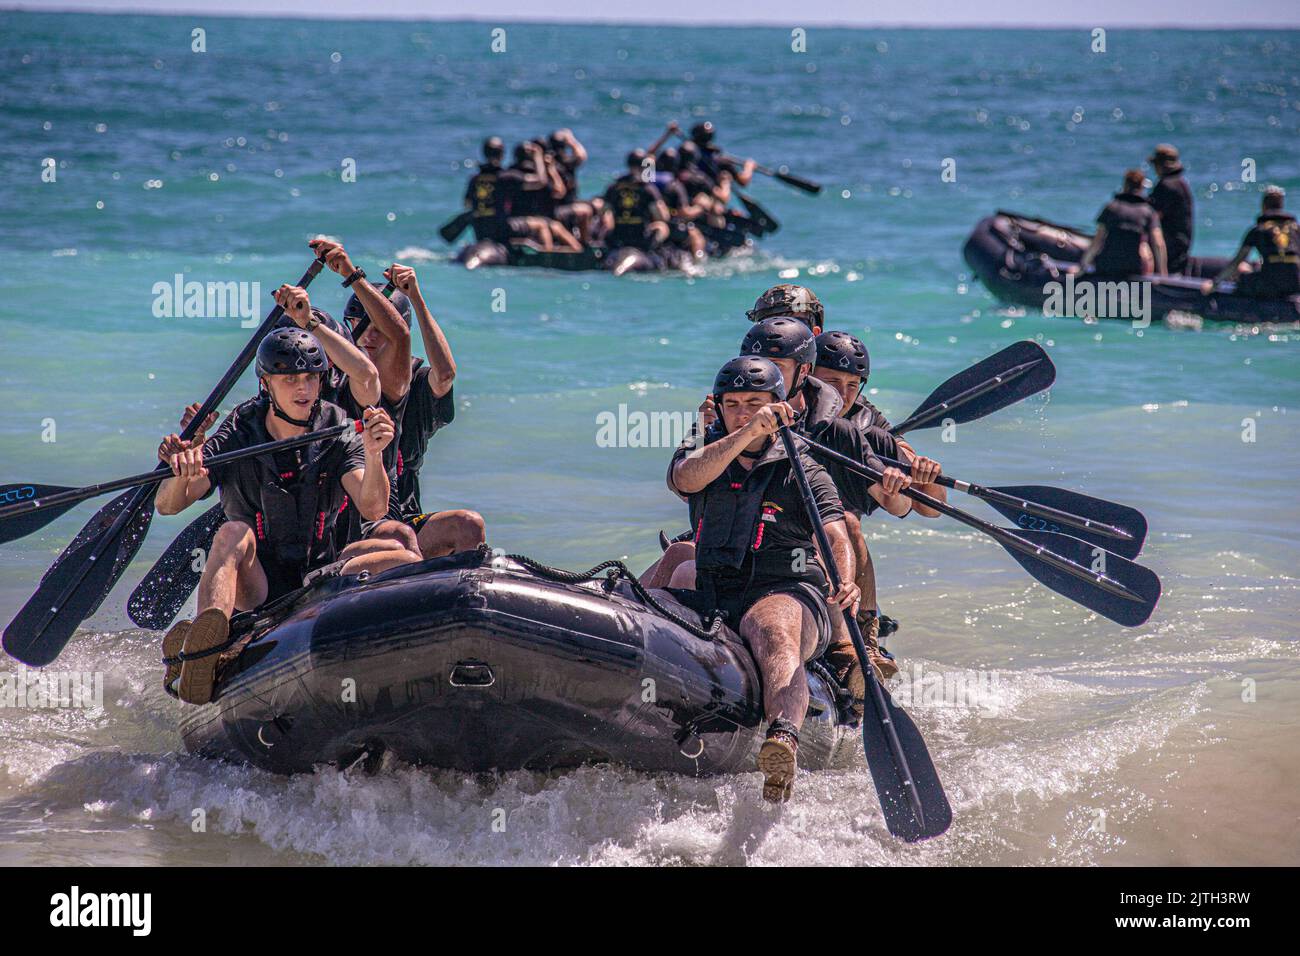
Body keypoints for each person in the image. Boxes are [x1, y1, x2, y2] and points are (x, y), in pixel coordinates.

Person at [155, 324, 399, 705]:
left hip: (317, 581)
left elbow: (374, 507)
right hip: (258, 589)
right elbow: (170, 504)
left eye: (309, 378)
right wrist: (180, 472)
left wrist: (374, 452)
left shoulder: (337, 426)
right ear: (267, 384)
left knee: (400, 548)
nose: (302, 389)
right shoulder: (240, 427)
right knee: (232, 533)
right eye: (289, 379)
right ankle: (206, 655)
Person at [659, 356, 858, 802]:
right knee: (675, 569)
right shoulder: (704, 452)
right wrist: (744, 433)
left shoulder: (803, 465)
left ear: (780, 405)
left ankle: (783, 739)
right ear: (720, 407)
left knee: (774, 629)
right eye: (733, 404)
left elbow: (834, 531)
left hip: (783, 587)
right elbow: (686, 480)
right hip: (715, 587)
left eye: (755, 403)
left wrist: (845, 579)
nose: (744, 412)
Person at [382, 262, 487, 557]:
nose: (371, 337)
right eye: (362, 325)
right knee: (398, 541)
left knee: (467, 525)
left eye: (381, 328)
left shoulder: (416, 382)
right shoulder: (339, 384)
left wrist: (415, 297)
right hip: (353, 532)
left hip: (407, 523)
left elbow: (444, 375)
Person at [1210, 187, 1300, 299]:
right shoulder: (1296, 229)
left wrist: (1215, 283)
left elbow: (1237, 261)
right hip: (1295, 285)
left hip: (1270, 287)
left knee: (1241, 271)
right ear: (1281, 206)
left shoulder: (1258, 230)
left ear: (1263, 206)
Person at [1079, 169, 1167, 279]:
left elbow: (1098, 241)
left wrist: (1083, 264)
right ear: (1142, 187)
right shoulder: (1148, 212)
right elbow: (1158, 243)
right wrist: (1163, 275)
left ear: (1125, 185)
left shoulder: (1112, 207)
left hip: (1107, 265)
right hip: (1134, 268)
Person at [498, 142, 583, 252]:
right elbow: (559, 191)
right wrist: (550, 169)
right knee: (556, 228)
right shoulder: (534, 176)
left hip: (518, 220)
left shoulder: (509, 174)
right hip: (530, 220)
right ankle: (551, 257)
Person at [600, 149, 670, 251]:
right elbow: (663, 216)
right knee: (663, 227)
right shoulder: (647, 188)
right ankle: (653, 251)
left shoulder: (614, 186)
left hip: (618, 237)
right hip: (641, 239)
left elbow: (603, 211)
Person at [1147, 144, 1194, 275]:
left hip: (1170, 246)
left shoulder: (1166, 185)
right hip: (1182, 244)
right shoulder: (1181, 182)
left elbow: (1151, 217)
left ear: (1160, 165)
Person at [465, 136, 508, 243]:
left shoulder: (475, 178)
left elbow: (467, 204)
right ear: (502, 154)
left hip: (479, 226)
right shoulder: (507, 177)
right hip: (501, 226)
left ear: (484, 153)